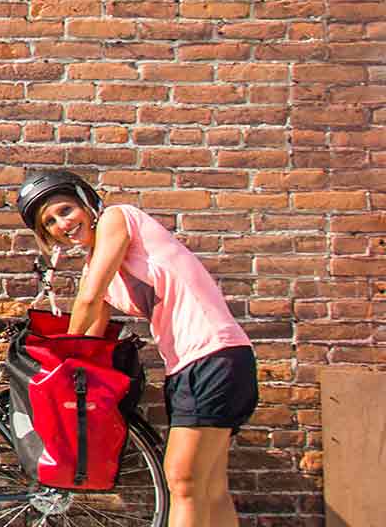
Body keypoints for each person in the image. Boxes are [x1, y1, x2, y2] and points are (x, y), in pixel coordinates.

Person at [16, 169, 256, 527]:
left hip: (212, 355)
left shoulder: (118, 218)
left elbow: (88, 299)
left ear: (86, 202)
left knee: (181, 479)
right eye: (49, 222)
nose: (61, 224)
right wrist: (68, 372)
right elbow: (93, 339)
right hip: (194, 364)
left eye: (65, 210)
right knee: (209, 487)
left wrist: (58, 355)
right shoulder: (96, 264)